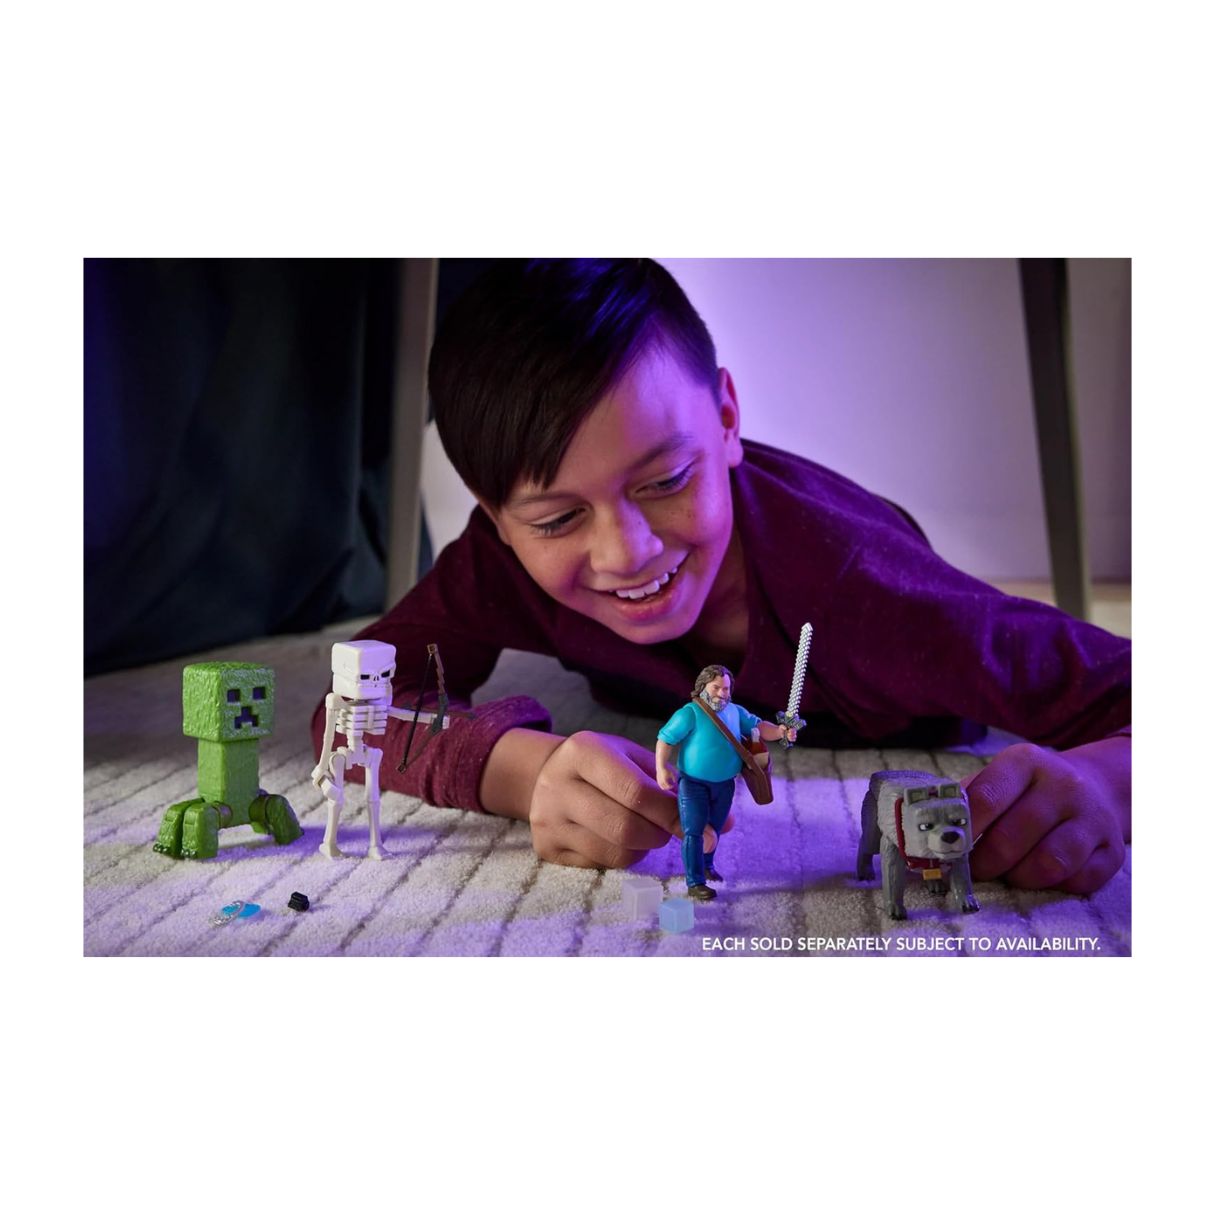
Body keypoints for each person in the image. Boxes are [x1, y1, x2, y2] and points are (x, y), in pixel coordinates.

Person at [311, 259, 1131, 894]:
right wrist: (522, 770)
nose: (626, 553)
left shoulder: (867, 596)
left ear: (728, 418)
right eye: (558, 520)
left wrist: (1105, 780)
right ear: (494, 516)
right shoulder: (501, 561)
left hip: (865, 630)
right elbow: (349, 710)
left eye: (665, 480)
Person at [656, 664, 794, 900]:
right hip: (693, 784)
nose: (722, 693)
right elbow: (665, 739)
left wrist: (781, 732)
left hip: (725, 784)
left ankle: (707, 866)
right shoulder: (690, 713)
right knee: (694, 831)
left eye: (726, 689)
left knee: (715, 827)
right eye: (716, 687)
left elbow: (759, 727)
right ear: (703, 687)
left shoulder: (735, 712)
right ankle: (694, 881)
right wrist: (660, 769)